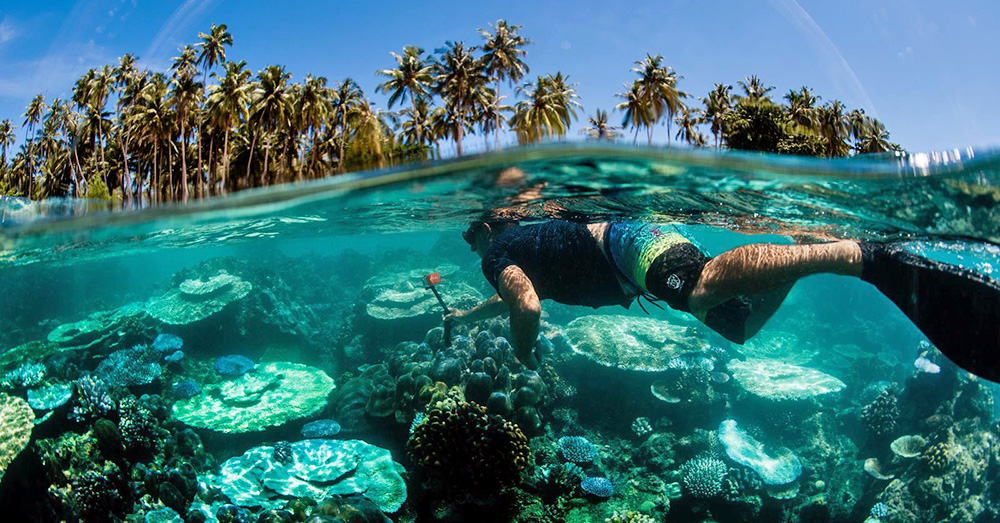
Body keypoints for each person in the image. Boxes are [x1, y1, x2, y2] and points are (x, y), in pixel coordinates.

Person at [445, 219, 1000, 382]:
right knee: (740, 326)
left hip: (624, 246)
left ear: (489, 227)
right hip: (630, 252)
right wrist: (470, 315)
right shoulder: (512, 253)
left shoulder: (497, 253)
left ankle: (854, 255)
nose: (467, 244)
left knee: (703, 286)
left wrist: (522, 354)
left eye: (469, 234)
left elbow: (528, 308)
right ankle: (801, 253)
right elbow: (518, 297)